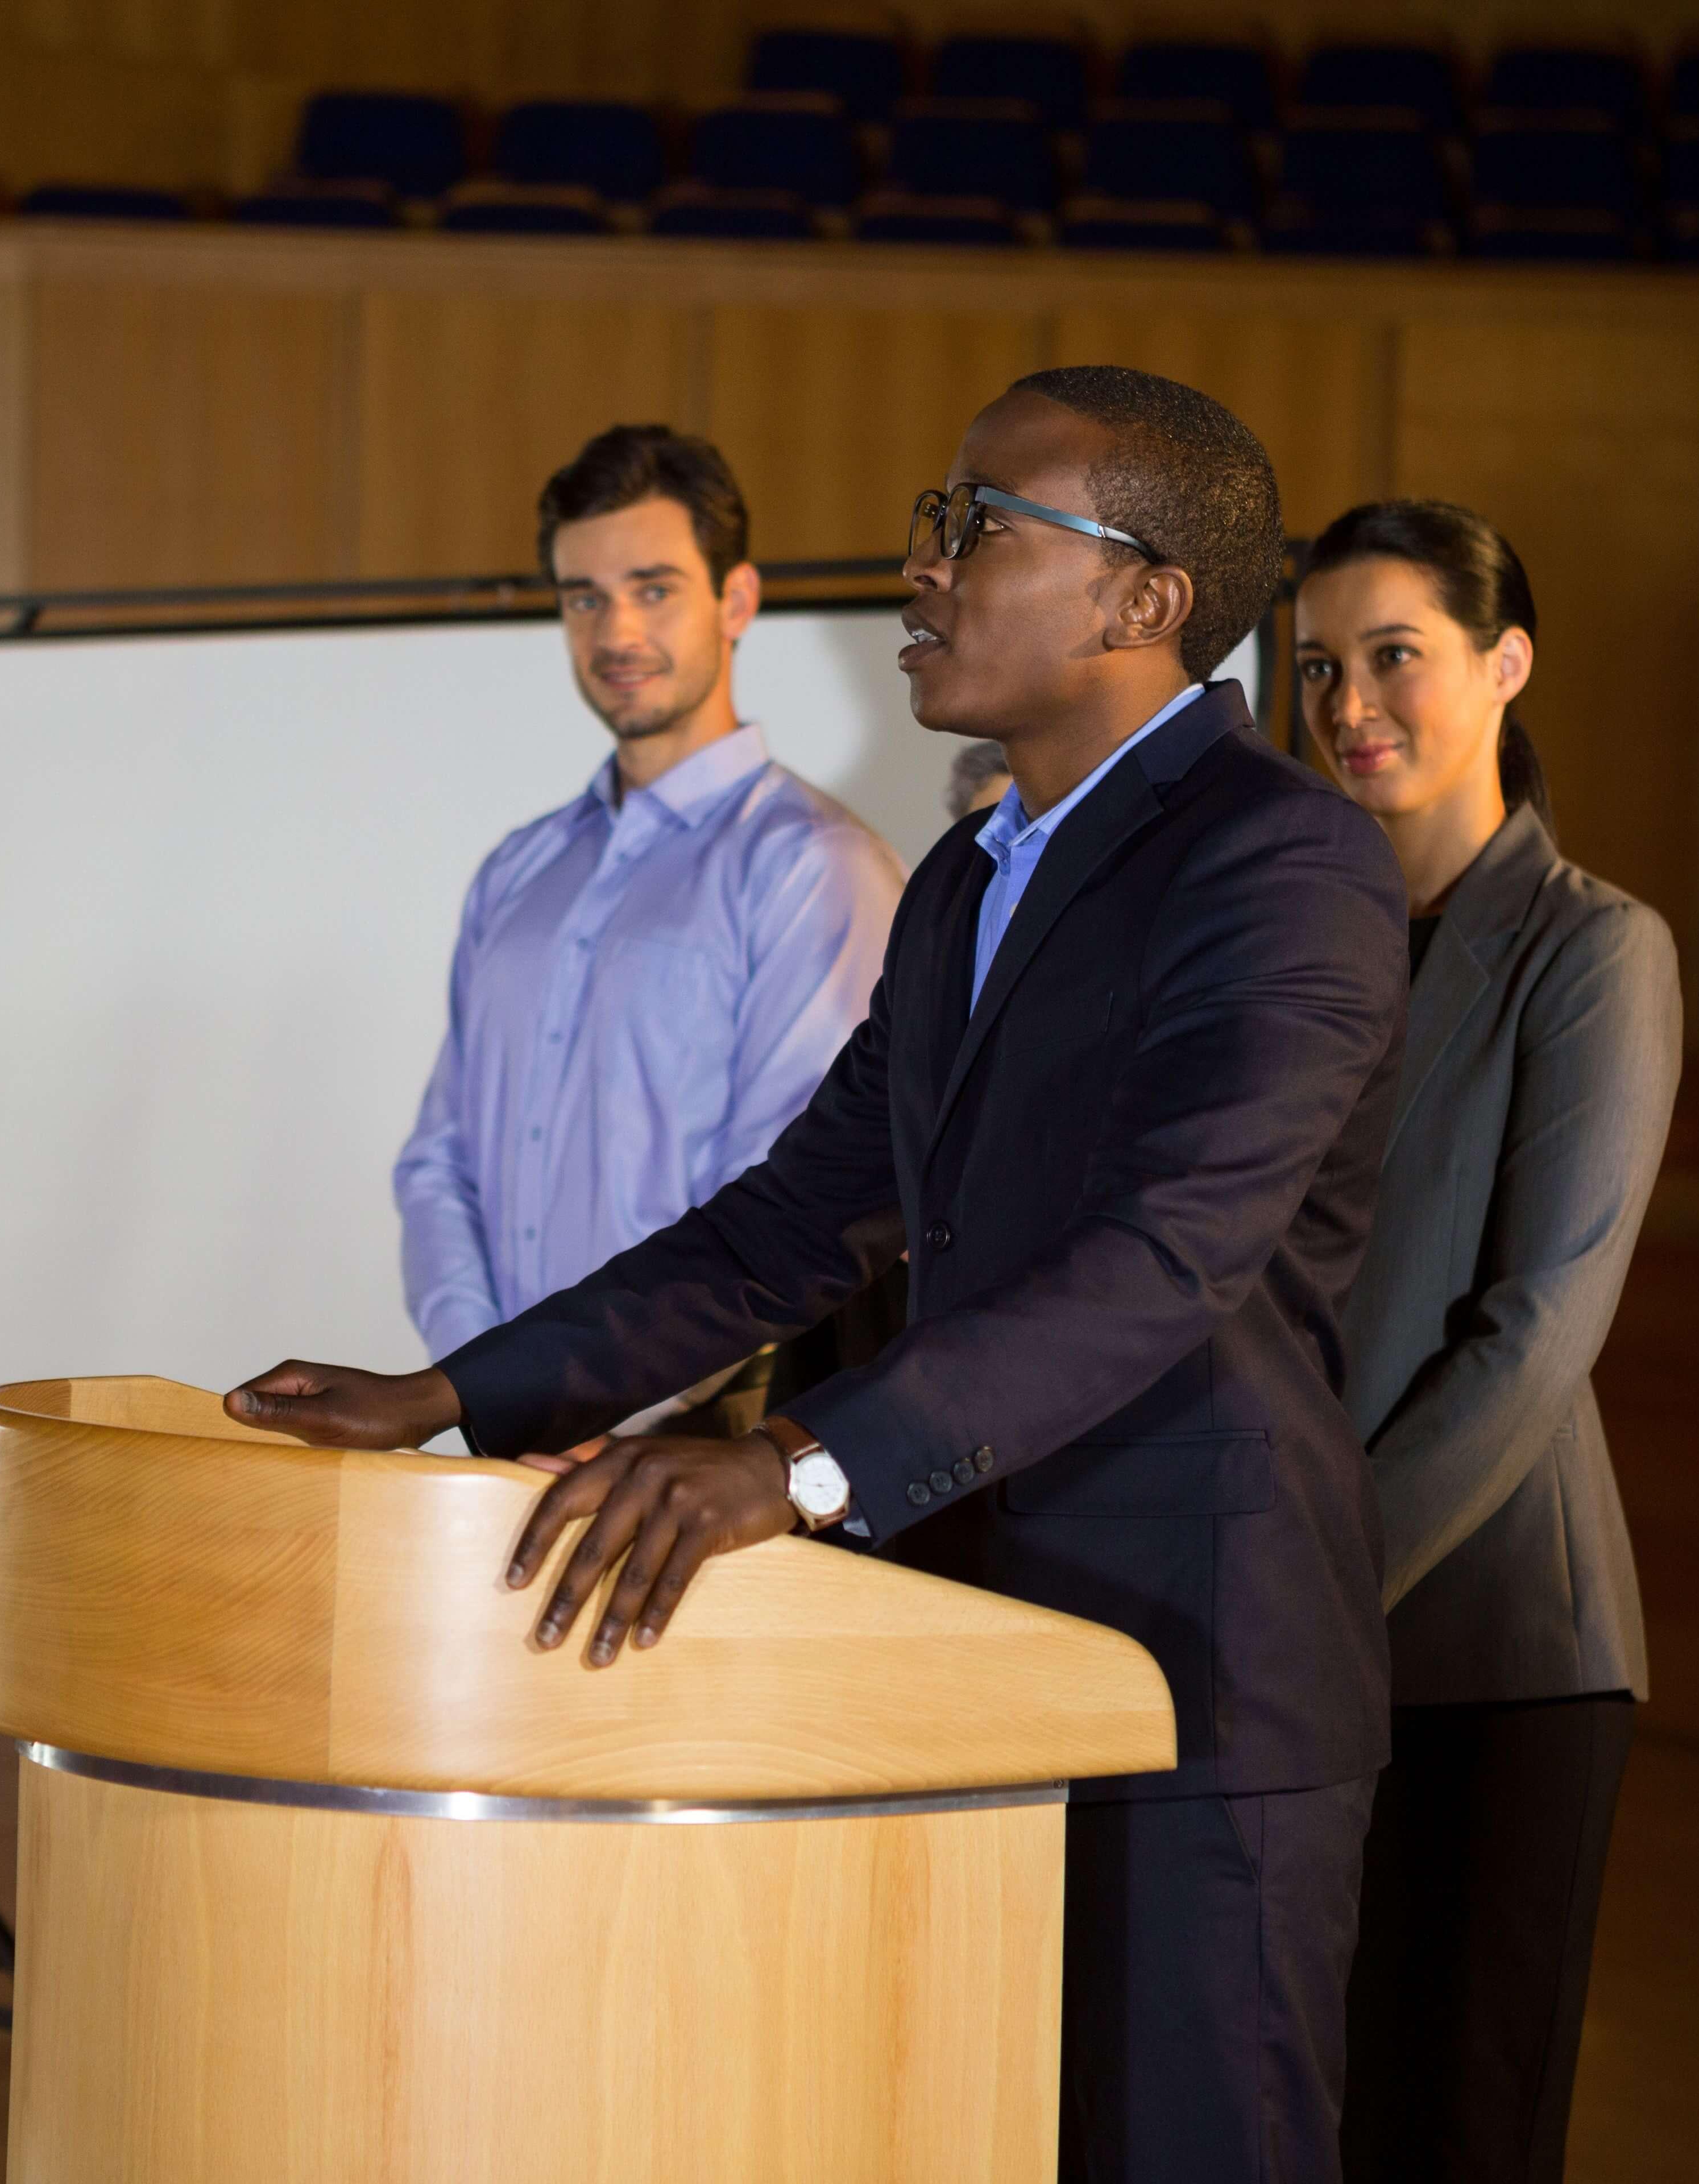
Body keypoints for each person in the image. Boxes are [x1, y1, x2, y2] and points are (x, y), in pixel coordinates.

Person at [233, 367, 1411, 2184]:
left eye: (976, 526)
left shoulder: (1285, 858)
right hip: (954, 1655)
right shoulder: (962, 879)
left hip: (1200, 1675)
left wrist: (792, 1465)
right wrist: (457, 1391)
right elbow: (799, 1223)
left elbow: (1168, 1254)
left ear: (1146, 599)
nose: (920, 569)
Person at [1288, 501, 1680, 2184]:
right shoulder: (1305, 954)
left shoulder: (1596, 948)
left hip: (1496, 1654)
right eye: (1318, 669)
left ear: (1506, 666)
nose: (1351, 704)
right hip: (1304, 1639)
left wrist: (1304, 1583)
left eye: (1397, 656)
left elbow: (1533, 1340)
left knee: (1460, 2132)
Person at [391, 423, 902, 1434]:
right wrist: (489, 1386)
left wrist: (568, 1404)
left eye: (654, 588)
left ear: (738, 600)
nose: (616, 632)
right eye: (585, 598)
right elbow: (439, 1162)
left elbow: (789, 1208)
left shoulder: (814, 868)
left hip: (698, 1459)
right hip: (501, 1448)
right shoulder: (517, 872)